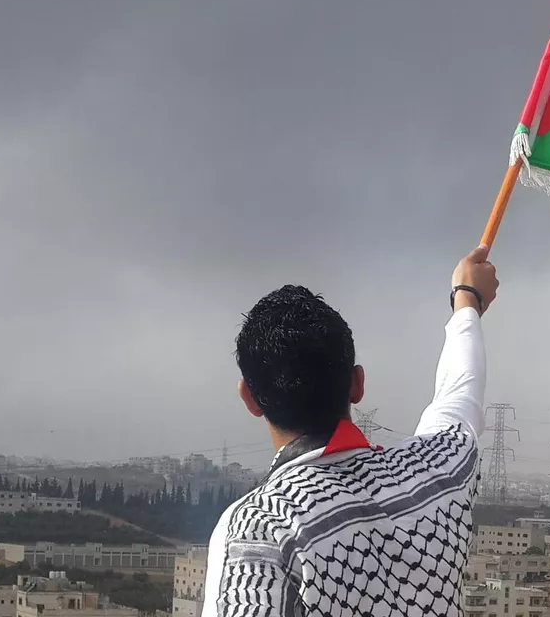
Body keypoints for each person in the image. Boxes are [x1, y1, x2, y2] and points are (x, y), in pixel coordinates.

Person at [202, 245, 499, 616]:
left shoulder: (261, 527)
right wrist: (466, 300)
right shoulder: (437, 474)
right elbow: (461, 392)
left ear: (250, 398)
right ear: (357, 384)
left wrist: (468, 302)